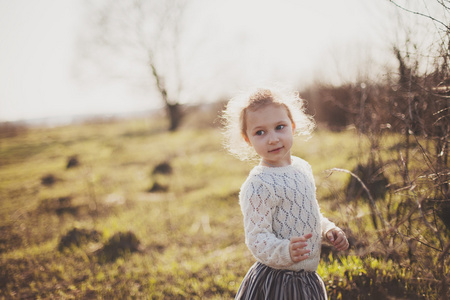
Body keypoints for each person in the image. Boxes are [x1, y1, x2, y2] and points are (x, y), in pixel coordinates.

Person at [222, 86, 349, 299]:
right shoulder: (259, 184)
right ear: (247, 139)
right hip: (277, 282)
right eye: (260, 132)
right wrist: (285, 250)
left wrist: (328, 229)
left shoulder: (302, 168)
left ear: (292, 126)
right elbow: (257, 238)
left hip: (306, 280)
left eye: (279, 127)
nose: (272, 139)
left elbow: (310, 213)